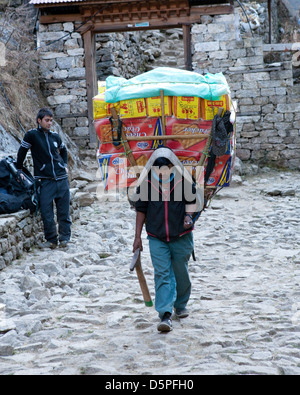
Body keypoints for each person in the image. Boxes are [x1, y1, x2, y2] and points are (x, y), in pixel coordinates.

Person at [132, 147, 202, 332]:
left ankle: (180, 304)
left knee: (181, 273)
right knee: (162, 273)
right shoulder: (146, 184)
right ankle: (165, 314)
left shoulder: (183, 181)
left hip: (181, 236)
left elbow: (193, 201)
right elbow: (141, 209)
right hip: (156, 236)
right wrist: (137, 237)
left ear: (172, 167)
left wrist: (188, 216)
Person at [16, 108, 71, 249]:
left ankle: (65, 239)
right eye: (47, 120)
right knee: (47, 212)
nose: (49, 123)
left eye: (51, 120)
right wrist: (19, 169)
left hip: (62, 179)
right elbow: (22, 152)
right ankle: (51, 240)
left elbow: (64, 151)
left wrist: (64, 165)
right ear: (39, 120)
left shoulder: (55, 136)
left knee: (63, 212)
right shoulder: (31, 136)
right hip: (45, 180)